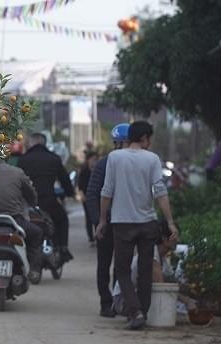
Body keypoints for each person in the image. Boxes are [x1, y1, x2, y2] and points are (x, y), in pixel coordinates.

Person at [96, 120, 178, 330]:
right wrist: (169, 221)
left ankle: (136, 312)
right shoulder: (152, 159)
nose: (150, 142)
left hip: (122, 224)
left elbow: (107, 191)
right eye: (149, 138)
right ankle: (142, 311)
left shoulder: (115, 157)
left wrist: (102, 220)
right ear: (144, 138)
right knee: (145, 269)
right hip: (147, 224)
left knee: (122, 271)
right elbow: (160, 192)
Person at [0, 159, 43, 283]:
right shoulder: (18, 172)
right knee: (37, 233)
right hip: (15, 221)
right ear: (7, 157)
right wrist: (32, 202)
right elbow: (31, 196)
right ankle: (34, 270)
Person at [86, 123, 130, 318]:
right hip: (113, 222)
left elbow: (91, 195)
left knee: (115, 265)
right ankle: (108, 302)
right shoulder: (104, 164)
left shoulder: (128, 163)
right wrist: (98, 221)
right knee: (112, 265)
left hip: (122, 222)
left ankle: (114, 302)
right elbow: (93, 194)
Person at [18, 132, 75, 261]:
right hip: (48, 201)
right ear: (44, 143)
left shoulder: (23, 160)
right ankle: (63, 248)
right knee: (62, 219)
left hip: (28, 204)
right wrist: (70, 192)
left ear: (31, 143)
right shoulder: (54, 158)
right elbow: (65, 179)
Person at [78, 151, 99, 244]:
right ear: (88, 160)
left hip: (96, 197)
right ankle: (91, 237)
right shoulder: (84, 171)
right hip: (87, 197)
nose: (94, 161)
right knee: (89, 217)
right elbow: (80, 185)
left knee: (96, 216)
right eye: (93, 159)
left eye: (96, 159)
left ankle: (98, 234)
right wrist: (82, 195)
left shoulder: (98, 170)